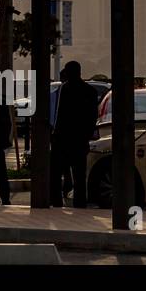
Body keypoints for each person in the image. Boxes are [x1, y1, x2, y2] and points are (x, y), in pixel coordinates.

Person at [51, 61, 97, 207]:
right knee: (79, 175)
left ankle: (56, 201)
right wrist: (87, 135)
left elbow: (61, 115)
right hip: (80, 139)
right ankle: (80, 203)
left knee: (57, 173)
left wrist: (55, 135)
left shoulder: (65, 89)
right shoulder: (90, 91)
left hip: (64, 138)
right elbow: (92, 117)